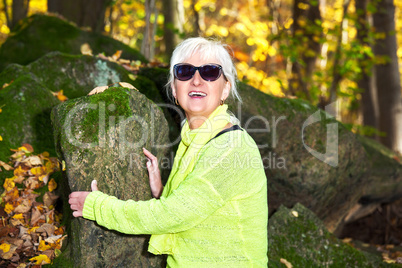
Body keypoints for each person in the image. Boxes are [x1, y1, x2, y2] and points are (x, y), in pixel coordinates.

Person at [69, 37, 268, 267]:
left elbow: (171, 216)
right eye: (184, 71)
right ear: (174, 87)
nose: (196, 81)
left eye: (210, 72)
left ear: (225, 88)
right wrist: (164, 191)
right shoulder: (196, 138)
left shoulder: (231, 148)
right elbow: (197, 209)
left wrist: (97, 206)